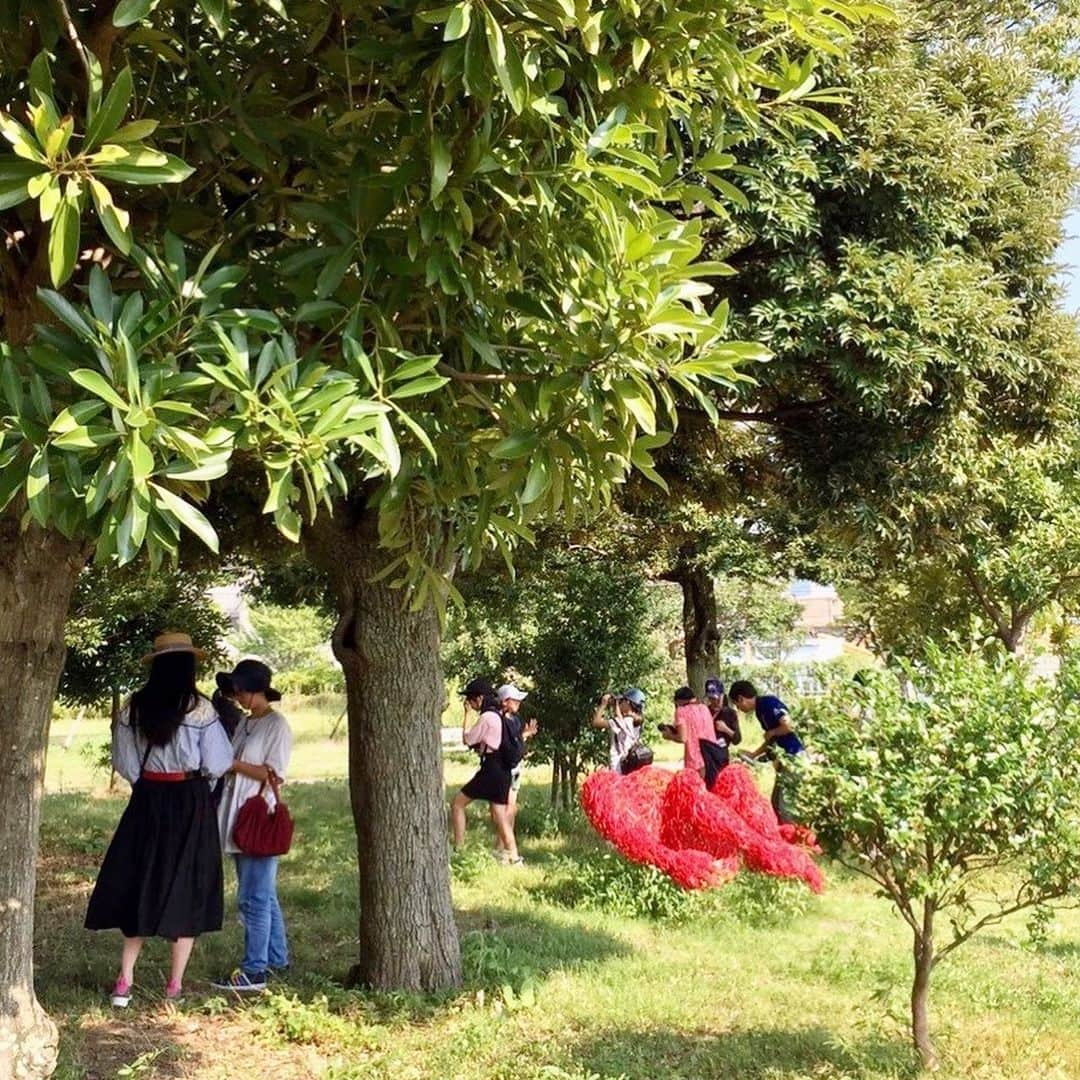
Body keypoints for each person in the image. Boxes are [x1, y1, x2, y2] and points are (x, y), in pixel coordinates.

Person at [85, 632, 233, 1007]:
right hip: (190, 801)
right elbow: (218, 763)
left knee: (140, 878)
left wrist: (148, 781)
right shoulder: (201, 710)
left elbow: (125, 762)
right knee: (188, 881)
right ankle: (174, 987)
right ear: (188, 667)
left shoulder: (132, 708)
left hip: (148, 798)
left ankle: (124, 982)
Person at [213, 659, 293, 992]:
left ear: (256, 689)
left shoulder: (277, 725)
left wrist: (232, 764)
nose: (238, 696)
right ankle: (276, 958)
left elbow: (274, 773)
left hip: (257, 814)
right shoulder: (247, 723)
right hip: (237, 811)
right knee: (264, 894)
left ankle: (254, 970)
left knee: (253, 898)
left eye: (241, 690)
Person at [450, 678, 523, 864]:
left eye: (472, 701)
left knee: (457, 803)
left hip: (491, 769)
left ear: (480, 699)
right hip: (504, 770)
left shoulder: (487, 717)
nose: (471, 705)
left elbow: (468, 739)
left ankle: (458, 848)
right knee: (500, 816)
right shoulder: (500, 714)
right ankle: (514, 856)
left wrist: (466, 716)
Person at [729, 680, 805, 824]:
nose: (739, 709)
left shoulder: (768, 703)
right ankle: (782, 834)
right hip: (783, 759)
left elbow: (789, 725)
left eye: (737, 705)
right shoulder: (759, 711)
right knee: (775, 802)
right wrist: (753, 755)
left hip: (794, 756)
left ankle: (793, 838)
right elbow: (771, 740)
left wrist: (772, 732)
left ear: (741, 698)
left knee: (786, 806)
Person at [497, 683, 537, 856]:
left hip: (515, 768)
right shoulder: (498, 720)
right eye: (515, 699)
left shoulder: (516, 720)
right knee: (505, 809)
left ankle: (503, 848)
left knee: (511, 808)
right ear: (505, 701)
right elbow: (505, 745)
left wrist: (525, 737)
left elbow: (517, 744)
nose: (519, 702)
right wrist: (524, 736)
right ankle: (504, 849)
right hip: (504, 769)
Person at [661, 686, 723, 781]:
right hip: (712, 756)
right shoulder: (704, 708)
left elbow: (682, 738)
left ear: (679, 701)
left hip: (695, 760)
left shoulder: (681, 711)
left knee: (695, 791)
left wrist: (670, 736)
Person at [592, 688, 646, 773]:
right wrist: (616, 705)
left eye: (622, 701)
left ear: (628, 702)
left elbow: (596, 722)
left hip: (618, 767)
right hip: (630, 766)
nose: (620, 703)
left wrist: (603, 704)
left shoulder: (625, 721)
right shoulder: (637, 719)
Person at [704, 676, 740, 767]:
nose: (714, 701)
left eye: (716, 698)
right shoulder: (704, 711)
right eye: (710, 698)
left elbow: (737, 739)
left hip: (721, 757)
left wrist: (726, 729)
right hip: (706, 757)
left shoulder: (730, 713)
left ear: (722, 695)